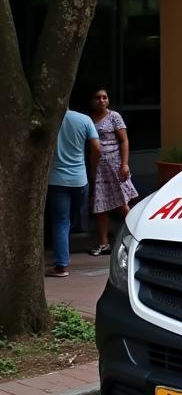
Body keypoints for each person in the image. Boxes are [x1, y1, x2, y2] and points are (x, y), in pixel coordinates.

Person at [47, 110, 100, 277]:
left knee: (61, 222)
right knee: (69, 220)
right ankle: (63, 251)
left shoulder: (49, 120)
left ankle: (61, 265)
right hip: (80, 179)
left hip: (56, 180)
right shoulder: (84, 119)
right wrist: (93, 170)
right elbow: (97, 149)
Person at [87, 87, 138, 255]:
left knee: (121, 203)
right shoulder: (88, 119)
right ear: (91, 100)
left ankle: (138, 234)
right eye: (98, 97)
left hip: (114, 165)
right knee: (100, 206)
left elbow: (124, 140)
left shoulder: (114, 116)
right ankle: (103, 244)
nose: (101, 100)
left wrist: (125, 164)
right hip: (97, 168)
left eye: (105, 97)